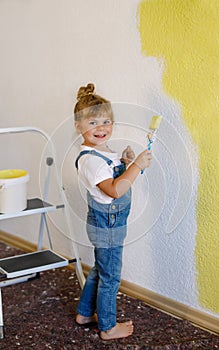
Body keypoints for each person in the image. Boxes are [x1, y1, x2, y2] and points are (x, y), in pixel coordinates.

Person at [74, 83, 152, 340]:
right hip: (107, 225)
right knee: (110, 277)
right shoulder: (90, 161)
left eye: (107, 121)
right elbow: (115, 190)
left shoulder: (101, 152)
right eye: (93, 122)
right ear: (78, 126)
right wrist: (137, 167)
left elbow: (114, 175)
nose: (102, 128)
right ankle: (107, 327)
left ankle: (85, 313)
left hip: (108, 223)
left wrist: (125, 162)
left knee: (100, 269)